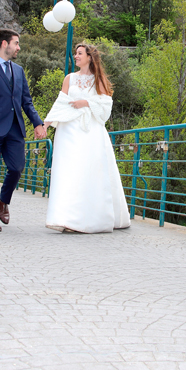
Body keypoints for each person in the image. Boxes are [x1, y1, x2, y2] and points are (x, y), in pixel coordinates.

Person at [43, 43, 130, 233]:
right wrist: (45, 124)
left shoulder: (98, 80)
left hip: (89, 132)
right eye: (75, 53)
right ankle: (65, 217)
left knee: (87, 171)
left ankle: (86, 218)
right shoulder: (69, 78)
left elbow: (106, 106)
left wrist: (86, 103)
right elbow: (61, 103)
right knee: (68, 173)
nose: (76, 56)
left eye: (79, 53)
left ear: (90, 57)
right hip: (67, 132)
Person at [0, 29, 46, 232]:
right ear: (5, 44)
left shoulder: (19, 70)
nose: (18, 47)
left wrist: (37, 123)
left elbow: (26, 101)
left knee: (17, 167)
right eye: (16, 43)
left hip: (14, 128)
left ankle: (3, 200)